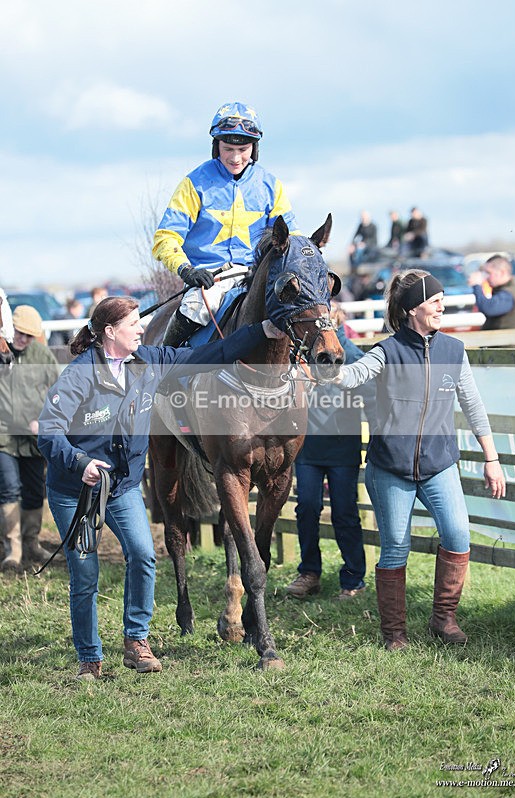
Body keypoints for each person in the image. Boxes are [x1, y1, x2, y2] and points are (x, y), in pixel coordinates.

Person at [37, 296, 283, 680]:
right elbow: (49, 432)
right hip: (76, 489)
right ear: (109, 332)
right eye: (133, 323)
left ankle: (136, 642)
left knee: (143, 555)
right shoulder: (79, 375)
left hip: (121, 487)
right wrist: (81, 462)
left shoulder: (148, 362)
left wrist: (260, 330)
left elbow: (209, 353)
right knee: (85, 574)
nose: (140, 328)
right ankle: (89, 657)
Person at [336, 269, 506, 650]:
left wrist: (491, 458)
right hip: (390, 467)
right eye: (435, 300)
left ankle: (443, 619)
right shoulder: (387, 351)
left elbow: (473, 406)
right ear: (413, 308)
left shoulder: (453, 350)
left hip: (439, 464)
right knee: (396, 545)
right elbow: (355, 374)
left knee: (458, 534)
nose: (442, 305)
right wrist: (328, 373)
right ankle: (394, 634)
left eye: (442, 299)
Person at [152, 101, 299, 345]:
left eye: (244, 149)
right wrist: (186, 270)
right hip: (211, 280)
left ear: (255, 148)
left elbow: (291, 238)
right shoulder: (194, 184)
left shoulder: (271, 186)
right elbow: (165, 237)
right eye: (228, 148)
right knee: (196, 306)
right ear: (216, 146)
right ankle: (164, 369)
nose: (235, 157)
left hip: (258, 277)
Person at [286, 305, 377, 600]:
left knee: (345, 512)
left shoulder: (352, 355)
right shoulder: (301, 355)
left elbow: (370, 390)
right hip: (308, 447)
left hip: (342, 447)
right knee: (307, 508)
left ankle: (353, 579)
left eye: (331, 323)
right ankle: (309, 572)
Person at [0, 306, 60, 571]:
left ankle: (32, 544)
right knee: (10, 488)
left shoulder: (42, 355)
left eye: (28, 335)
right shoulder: (3, 353)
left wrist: (44, 420)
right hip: (4, 435)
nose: (22, 339)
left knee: (35, 491)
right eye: (19, 333)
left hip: (33, 438)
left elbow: (59, 392)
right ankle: (12, 549)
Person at [468, 254, 515, 330]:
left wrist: (477, 285)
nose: (486, 277)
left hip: (508, 341)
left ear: (502, 273)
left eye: (488, 273)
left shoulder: (509, 294)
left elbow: (489, 309)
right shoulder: (508, 291)